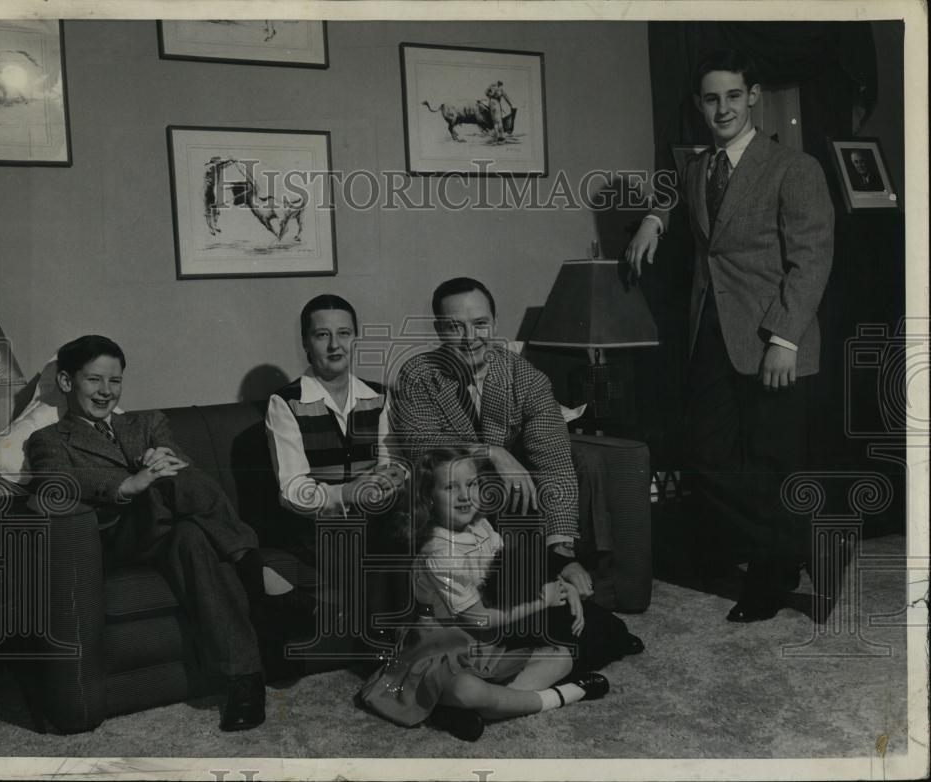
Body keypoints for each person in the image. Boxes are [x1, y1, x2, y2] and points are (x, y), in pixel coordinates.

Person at [625, 49, 835, 623]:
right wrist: (654, 217)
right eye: (711, 98)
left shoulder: (794, 168)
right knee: (706, 457)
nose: (723, 108)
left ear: (753, 97)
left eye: (733, 96)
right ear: (700, 104)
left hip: (775, 340)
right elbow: (679, 192)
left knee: (772, 463)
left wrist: (785, 338)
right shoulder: (697, 168)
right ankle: (807, 544)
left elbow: (812, 259)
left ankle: (770, 576)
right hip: (709, 335)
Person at [27, 335, 311, 732]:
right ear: (66, 382)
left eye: (115, 381)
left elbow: (184, 469)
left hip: (173, 530)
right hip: (120, 536)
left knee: (191, 531)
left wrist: (162, 463)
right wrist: (129, 485)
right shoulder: (49, 440)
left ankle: (245, 682)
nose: (106, 391)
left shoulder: (147, 422)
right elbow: (56, 480)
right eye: (94, 380)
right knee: (166, 482)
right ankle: (255, 569)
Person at [358, 447, 610, 742]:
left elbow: (517, 574)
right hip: (441, 650)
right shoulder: (440, 552)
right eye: (451, 487)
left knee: (562, 658)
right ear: (428, 496)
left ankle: (470, 711)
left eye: (472, 484)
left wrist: (562, 587)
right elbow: (480, 619)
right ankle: (566, 694)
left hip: (484, 647)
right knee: (469, 690)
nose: (465, 496)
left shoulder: (481, 526)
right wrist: (544, 600)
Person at [390, 277, 594, 598]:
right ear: (439, 330)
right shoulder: (418, 373)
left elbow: (553, 461)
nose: (470, 338)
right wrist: (492, 451)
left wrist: (562, 549)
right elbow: (422, 445)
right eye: (455, 327)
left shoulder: (526, 377)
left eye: (480, 324)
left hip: (506, 499)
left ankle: (549, 570)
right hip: (447, 504)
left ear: (495, 324)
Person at [265, 295, 407, 634]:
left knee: (415, 530)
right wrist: (347, 493)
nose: (334, 345)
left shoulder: (379, 396)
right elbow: (293, 490)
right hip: (315, 528)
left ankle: (412, 643)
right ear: (305, 342)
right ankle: (387, 646)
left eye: (343, 334)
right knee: (370, 541)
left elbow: (396, 465)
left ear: (355, 337)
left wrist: (393, 479)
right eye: (322, 335)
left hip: (379, 515)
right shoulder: (286, 402)